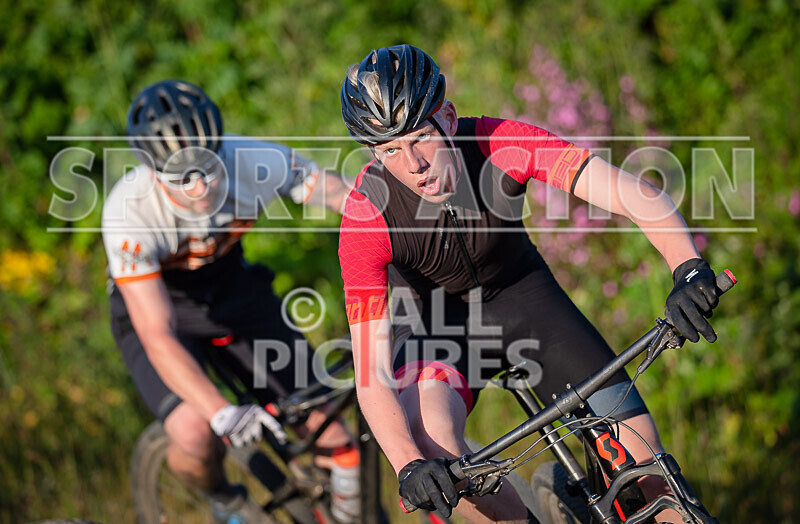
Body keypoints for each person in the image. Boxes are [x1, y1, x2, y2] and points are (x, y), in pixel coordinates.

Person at [337, 45, 719, 523]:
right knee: (441, 459)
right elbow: (371, 378)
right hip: (435, 332)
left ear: (449, 118)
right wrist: (408, 464)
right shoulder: (365, 217)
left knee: (644, 463)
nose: (412, 163)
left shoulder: (501, 142)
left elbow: (632, 195)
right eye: (389, 149)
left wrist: (688, 269)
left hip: (527, 301)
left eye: (419, 137)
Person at [103, 80, 354, 523]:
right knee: (197, 433)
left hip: (229, 287)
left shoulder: (253, 160)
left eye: (208, 168)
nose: (199, 188)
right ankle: (220, 493)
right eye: (182, 178)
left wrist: (403, 221)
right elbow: (156, 334)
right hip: (159, 305)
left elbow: (340, 195)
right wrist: (221, 413)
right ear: (153, 173)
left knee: (330, 430)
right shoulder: (129, 212)